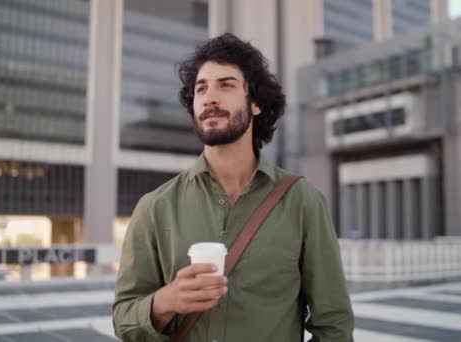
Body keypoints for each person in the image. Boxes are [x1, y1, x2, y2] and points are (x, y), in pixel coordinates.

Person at [112, 33, 354, 341]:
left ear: (255, 103)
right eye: (201, 89)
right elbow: (123, 320)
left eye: (226, 85)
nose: (210, 97)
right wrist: (165, 301)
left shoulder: (303, 202)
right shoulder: (154, 207)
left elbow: (334, 325)